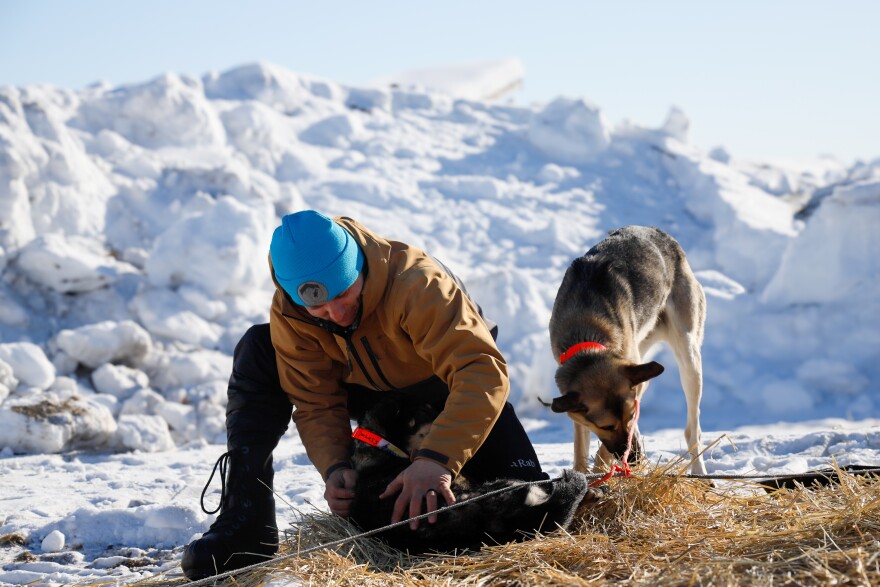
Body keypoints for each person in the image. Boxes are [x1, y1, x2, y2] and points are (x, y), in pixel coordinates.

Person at [182, 210, 547, 580]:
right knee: (260, 347)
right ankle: (247, 517)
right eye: (319, 307)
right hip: (377, 410)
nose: (337, 315)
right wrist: (336, 466)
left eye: (344, 294)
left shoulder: (417, 283)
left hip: (446, 395)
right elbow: (315, 400)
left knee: (534, 513)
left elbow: (481, 370)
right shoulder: (291, 314)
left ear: (359, 267)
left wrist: (438, 460)